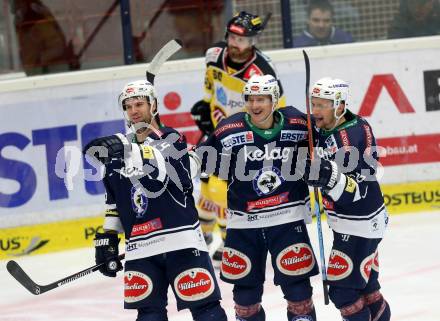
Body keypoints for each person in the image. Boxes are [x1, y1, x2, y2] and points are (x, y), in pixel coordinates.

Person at [83, 79, 227, 321]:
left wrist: (125, 146)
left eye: (140, 104)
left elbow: (169, 168)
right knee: (149, 315)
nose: (134, 110)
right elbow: (114, 204)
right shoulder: (117, 154)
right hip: (141, 248)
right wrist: (108, 237)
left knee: (206, 311)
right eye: (128, 106)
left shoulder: (174, 140)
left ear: (154, 106)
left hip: (181, 242)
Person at [194, 74, 319, 321]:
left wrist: (320, 165)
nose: (255, 105)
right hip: (244, 225)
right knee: (245, 300)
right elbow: (199, 159)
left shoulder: (297, 122)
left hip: (287, 220)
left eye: (261, 99)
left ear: (274, 101)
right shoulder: (229, 129)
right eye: (250, 99)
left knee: (299, 294)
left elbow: (327, 140)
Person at [190, 11, 286, 266]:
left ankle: (229, 240)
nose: (235, 44)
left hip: (246, 137)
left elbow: (277, 109)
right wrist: (205, 106)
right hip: (218, 131)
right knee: (206, 184)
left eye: (242, 40)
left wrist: (263, 136)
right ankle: (205, 236)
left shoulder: (262, 71)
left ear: (253, 41)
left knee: (222, 187)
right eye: (232, 37)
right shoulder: (214, 56)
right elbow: (211, 87)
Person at [297, 77, 391, 320]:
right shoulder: (340, 124)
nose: (315, 111)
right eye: (313, 104)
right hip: (356, 222)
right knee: (368, 288)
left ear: (339, 106)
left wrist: (325, 176)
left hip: (360, 223)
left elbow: (357, 191)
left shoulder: (349, 140)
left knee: (343, 292)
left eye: (321, 105)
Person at [12, 0, 79, 75]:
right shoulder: (22, 28)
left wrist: (40, 59)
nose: (16, 9)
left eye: (19, 4)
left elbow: (58, 48)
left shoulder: (42, 26)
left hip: (49, 72)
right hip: (32, 72)